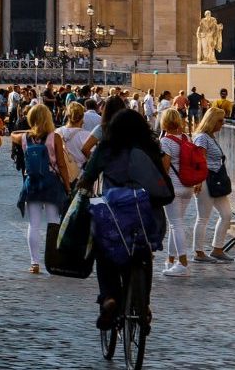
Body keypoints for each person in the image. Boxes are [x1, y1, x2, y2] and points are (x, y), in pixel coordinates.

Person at [76, 107, 173, 332]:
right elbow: (162, 183)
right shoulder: (150, 148)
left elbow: (87, 178)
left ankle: (109, 297)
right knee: (144, 254)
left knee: (104, 253)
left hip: (115, 216)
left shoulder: (106, 149)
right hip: (146, 215)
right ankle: (144, 306)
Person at [16, 102, 70, 274]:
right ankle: (53, 259)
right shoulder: (55, 137)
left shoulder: (24, 137)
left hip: (32, 182)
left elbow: (12, 135)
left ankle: (34, 262)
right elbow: (61, 164)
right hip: (52, 182)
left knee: (34, 223)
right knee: (54, 222)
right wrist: (68, 186)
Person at [156, 108, 199, 276]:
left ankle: (182, 263)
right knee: (178, 223)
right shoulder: (186, 138)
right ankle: (170, 260)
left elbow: (165, 167)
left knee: (176, 224)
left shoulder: (166, 142)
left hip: (173, 187)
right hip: (187, 186)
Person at [192, 107, 234, 263]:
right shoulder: (202, 138)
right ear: (212, 121)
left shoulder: (210, 137)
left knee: (227, 214)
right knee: (203, 217)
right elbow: (199, 160)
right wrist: (197, 181)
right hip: (205, 180)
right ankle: (199, 252)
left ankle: (217, 248)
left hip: (215, 180)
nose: (222, 124)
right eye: (220, 121)